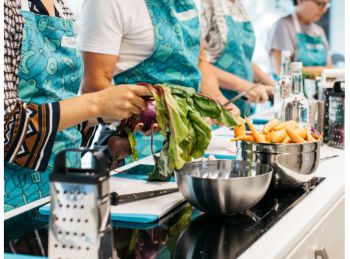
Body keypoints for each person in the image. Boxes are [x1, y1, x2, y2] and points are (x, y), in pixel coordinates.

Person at [4, 0, 151, 212]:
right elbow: (6, 126)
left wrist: (114, 113)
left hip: (61, 190)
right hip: (12, 200)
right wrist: (97, 104)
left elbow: (61, 105)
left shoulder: (62, 9)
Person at [79, 0, 240, 160]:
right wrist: (146, 114)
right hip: (129, 144)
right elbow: (94, 84)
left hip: (186, 140)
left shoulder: (185, 3)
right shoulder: (108, 3)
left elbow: (199, 61)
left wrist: (216, 101)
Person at [201, 0, 275, 115]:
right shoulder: (204, 4)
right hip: (217, 107)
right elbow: (199, 64)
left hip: (243, 107)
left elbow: (241, 58)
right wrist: (243, 86)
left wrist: (275, 86)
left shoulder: (238, 6)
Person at [268, 0, 332, 76]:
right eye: (320, 4)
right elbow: (284, 72)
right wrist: (322, 70)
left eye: (327, 5)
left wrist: (304, 70)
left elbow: (330, 69)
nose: (324, 10)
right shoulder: (283, 26)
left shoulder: (319, 31)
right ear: (300, 1)